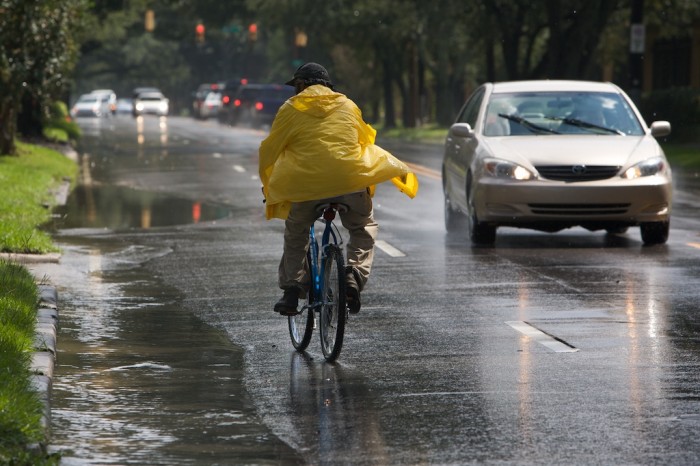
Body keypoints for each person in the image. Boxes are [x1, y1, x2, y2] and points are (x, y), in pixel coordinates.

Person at [259, 62, 418, 316]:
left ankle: (292, 291)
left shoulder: (290, 109)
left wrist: (269, 185)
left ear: (301, 85)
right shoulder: (348, 105)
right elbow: (365, 141)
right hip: (350, 182)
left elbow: (270, 150)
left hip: (307, 187)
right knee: (362, 227)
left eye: (295, 87)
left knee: (297, 233)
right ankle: (353, 275)